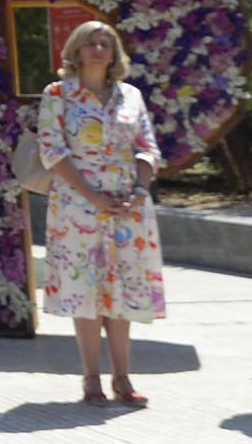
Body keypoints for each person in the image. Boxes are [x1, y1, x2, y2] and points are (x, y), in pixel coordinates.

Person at [37, 20, 166, 408]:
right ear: (75, 51)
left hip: (127, 207)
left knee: (123, 289)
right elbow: (52, 151)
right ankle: (91, 376)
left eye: (105, 44)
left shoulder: (130, 96)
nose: (97, 50)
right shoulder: (59, 94)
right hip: (79, 206)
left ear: (115, 54)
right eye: (90, 44)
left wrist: (139, 189)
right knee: (87, 291)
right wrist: (92, 195)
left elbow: (148, 146)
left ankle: (123, 377)